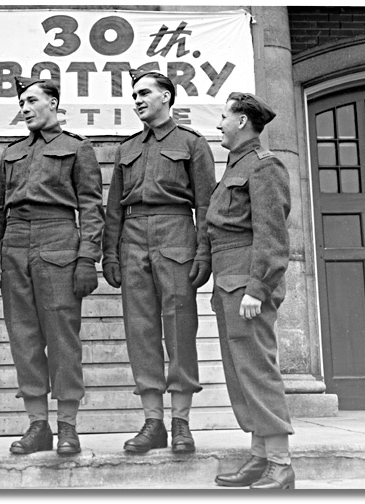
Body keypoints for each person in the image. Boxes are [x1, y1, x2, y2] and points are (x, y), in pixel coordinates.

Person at [0, 76, 105, 456]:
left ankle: (68, 425)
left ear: (53, 103)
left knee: (62, 337)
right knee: (24, 337)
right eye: (22, 102)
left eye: (32, 100)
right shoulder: (12, 152)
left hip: (58, 241)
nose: (25, 108)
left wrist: (88, 258)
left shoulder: (77, 148)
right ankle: (38, 425)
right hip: (16, 245)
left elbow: (91, 207)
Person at [102, 69, 216, 454]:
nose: (137, 100)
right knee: (140, 330)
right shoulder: (127, 148)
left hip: (176, 233)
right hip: (133, 238)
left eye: (144, 93)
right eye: (134, 94)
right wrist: (110, 254)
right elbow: (113, 208)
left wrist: (204, 250)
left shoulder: (192, 143)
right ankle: (153, 422)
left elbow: (206, 204)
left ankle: (181, 421)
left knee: (180, 326)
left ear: (166, 97)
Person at [208, 92, 295, 489]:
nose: (219, 124)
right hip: (228, 280)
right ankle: (260, 457)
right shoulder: (235, 167)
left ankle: (281, 462)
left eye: (224, 117)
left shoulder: (264, 166)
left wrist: (257, 288)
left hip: (246, 282)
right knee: (240, 373)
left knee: (258, 371)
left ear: (242, 121)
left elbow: (272, 236)